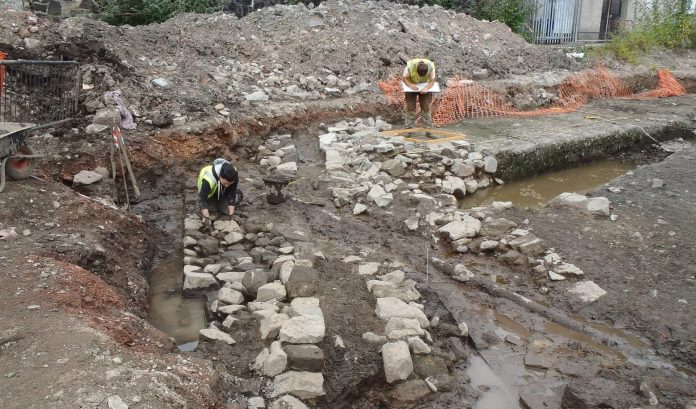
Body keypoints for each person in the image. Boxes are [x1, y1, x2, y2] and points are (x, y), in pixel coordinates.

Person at [197, 158, 242, 228]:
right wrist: (206, 218)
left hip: (221, 189)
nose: (227, 185)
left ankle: (225, 195)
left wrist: (231, 216)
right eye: (225, 183)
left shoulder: (234, 174)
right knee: (211, 208)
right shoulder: (208, 179)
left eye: (229, 184)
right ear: (220, 176)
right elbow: (202, 199)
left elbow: (231, 194)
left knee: (231, 203)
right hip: (209, 193)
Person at [402, 58, 436, 129]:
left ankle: (428, 130)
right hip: (411, 86)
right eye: (419, 75)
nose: (420, 78)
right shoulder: (410, 66)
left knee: (426, 107)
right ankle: (409, 129)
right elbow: (404, 78)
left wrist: (426, 88)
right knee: (410, 108)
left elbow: (433, 80)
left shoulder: (430, 66)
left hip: (424, 86)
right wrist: (410, 85)